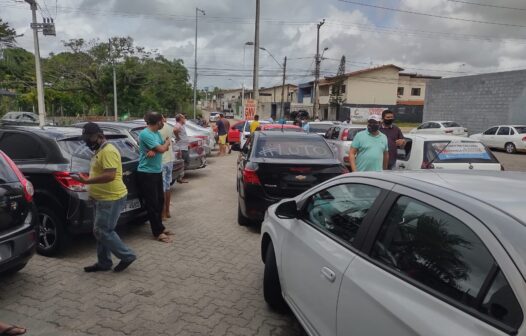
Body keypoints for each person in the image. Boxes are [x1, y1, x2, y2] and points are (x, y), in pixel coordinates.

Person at [73, 122, 137, 272]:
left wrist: (87, 181)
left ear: (100, 136)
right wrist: (90, 189)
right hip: (101, 198)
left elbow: (109, 175)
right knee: (101, 231)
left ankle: (127, 256)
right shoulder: (99, 150)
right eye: (85, 138)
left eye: (90, 137)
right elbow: (100, 172)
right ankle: (104, 262)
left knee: (102, 231)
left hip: (111, 198)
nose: (87, 141)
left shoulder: (108, 151)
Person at [137, 112, 173, 243]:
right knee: (152, 203)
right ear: (157, 122)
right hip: (147, 173)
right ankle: (157, 232)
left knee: (159, 200)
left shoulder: (156, 133)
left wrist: (158, 148)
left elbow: (161, 146)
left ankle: (160, 227)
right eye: (162, 120)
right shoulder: (145, 134)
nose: (163, 122)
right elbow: (163, 148)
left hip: (156, 171)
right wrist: (165, 144)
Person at [159, 115, 175, 219]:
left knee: (162, 188)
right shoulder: (169, 126)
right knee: (168, 186)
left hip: (161, 160)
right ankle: (168, 211)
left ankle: (163, 213)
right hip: (170, 159)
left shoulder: (158, 129)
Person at [173, 114, 189, 183]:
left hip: (184, 146)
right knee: (184, 162)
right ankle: (180, 177)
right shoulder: (178, 125)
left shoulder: (181, 125)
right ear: (180, 119)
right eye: (183, 118)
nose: (184, 119)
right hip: (181, 147)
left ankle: (180, 176)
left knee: (185, 161)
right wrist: (178, 137)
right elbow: (175, 130)